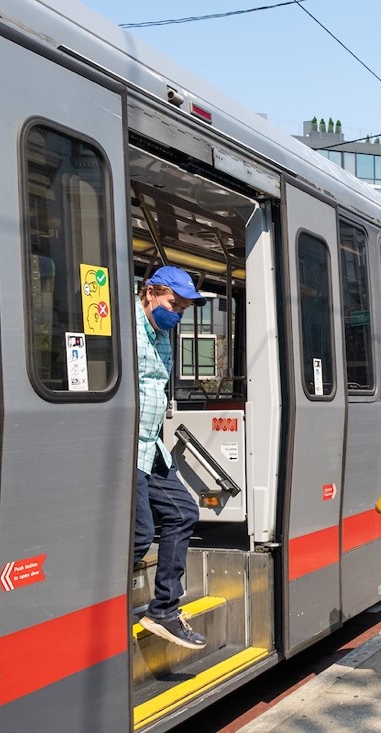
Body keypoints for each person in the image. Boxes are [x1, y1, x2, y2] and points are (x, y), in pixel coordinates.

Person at [134, 266, 208, 649]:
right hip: (126, 449)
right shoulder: (124, 330)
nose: (176, 314)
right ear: (150, 293)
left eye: (182, 309)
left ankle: (163, 609)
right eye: (172, 304)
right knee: (140, 535)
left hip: (150, 447)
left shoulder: (163, 335)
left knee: (183, 512)